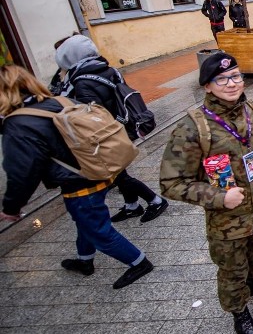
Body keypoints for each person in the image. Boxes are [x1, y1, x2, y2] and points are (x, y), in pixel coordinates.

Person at [160, 52, 253, 334]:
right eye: (223, 79)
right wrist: (217, 197)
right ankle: (240, 314)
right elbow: (170, 183)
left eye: (236, 77)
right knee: (231, 270)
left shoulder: (252, 108)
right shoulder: (192, 127)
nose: (232, 84)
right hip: (226, 221)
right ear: (207, 86)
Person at [0, 65, 154, 289]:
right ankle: (85, 261)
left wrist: (11, 207)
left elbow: (22, 172)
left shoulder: (19, 124)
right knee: (83, 221)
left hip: (80, 183)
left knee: (98, 230)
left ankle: (139, 262)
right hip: (99, 170)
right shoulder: (59, 102)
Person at [54, 35, 169, 223]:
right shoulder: (105, 68)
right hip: (119, 127)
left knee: (117, 174)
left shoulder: (81, 80)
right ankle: (132, 205)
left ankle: (155, 201)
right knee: (118, 171)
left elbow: (90, 115)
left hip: (104, 135)